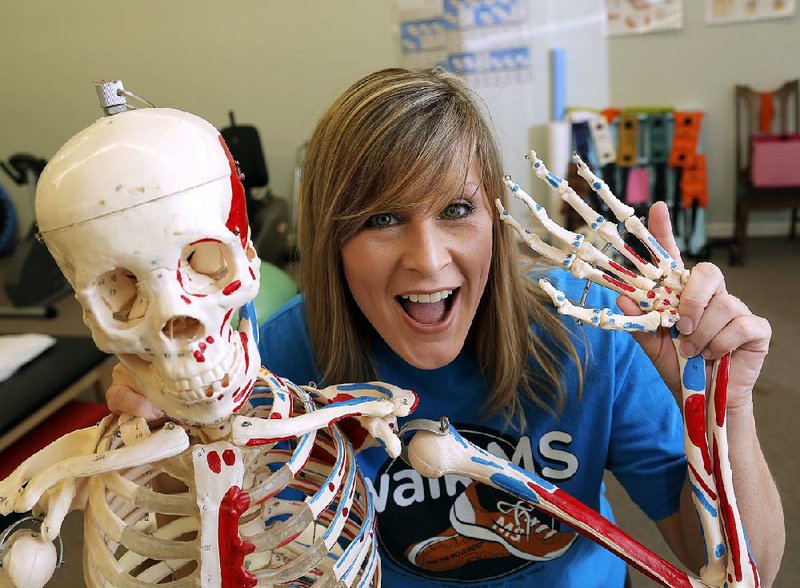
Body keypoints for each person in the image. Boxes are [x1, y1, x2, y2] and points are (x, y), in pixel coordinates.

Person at [107, 68, 784, 586]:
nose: (428, 260)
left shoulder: (590, 332)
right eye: (381, 219)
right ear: (331, 241)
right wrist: (169, 450)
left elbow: (744, 568)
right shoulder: (275, 364)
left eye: (457, 209)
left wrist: (722, 406)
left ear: (496, 219)